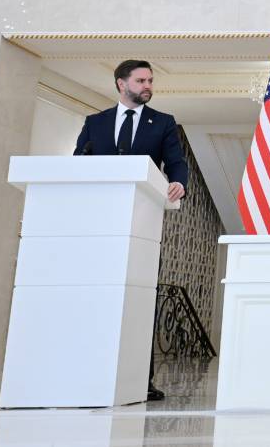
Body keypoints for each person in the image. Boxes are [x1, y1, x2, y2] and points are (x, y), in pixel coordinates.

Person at [74, 59, 188, 402]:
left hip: (141, 223)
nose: (148, 85)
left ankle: (140, 379)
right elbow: (79, 161)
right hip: (98, 225)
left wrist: (179, 182)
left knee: (139, 299)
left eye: (150, 80)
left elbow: (176, 161)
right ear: (121, 84)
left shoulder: (163, 123)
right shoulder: (95, 122)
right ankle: (88, 370)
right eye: (141, 80)